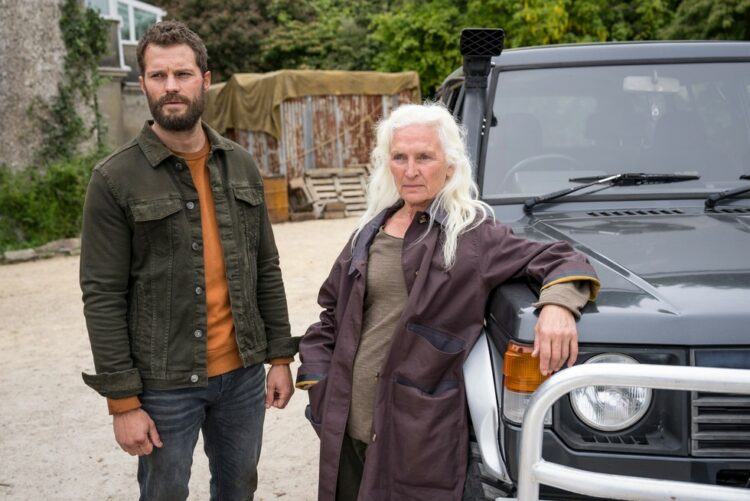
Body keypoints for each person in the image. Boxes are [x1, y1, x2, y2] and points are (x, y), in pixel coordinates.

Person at [296, 102, 600, 501]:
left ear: (450, 165)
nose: (410, 169)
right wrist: (319, 382)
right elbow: (331, 316)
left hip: (414, 430)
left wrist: (558, 306)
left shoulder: (473, 236)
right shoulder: (369, 232)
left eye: (424, 157)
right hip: (345, 420)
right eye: (400, 158)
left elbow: (562, 258)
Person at [79, 21, 297, 501]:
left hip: (241, 375)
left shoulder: (240, 163)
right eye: (158, 76)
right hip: (163, 384)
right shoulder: (115, 179)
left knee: (239, 488)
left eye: (182, 73)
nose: (171, 87)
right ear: (143, 84)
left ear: (206, 78)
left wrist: (280, 356)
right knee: (164, 494)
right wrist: (123, 401)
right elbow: (102, 296)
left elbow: (266, 266)